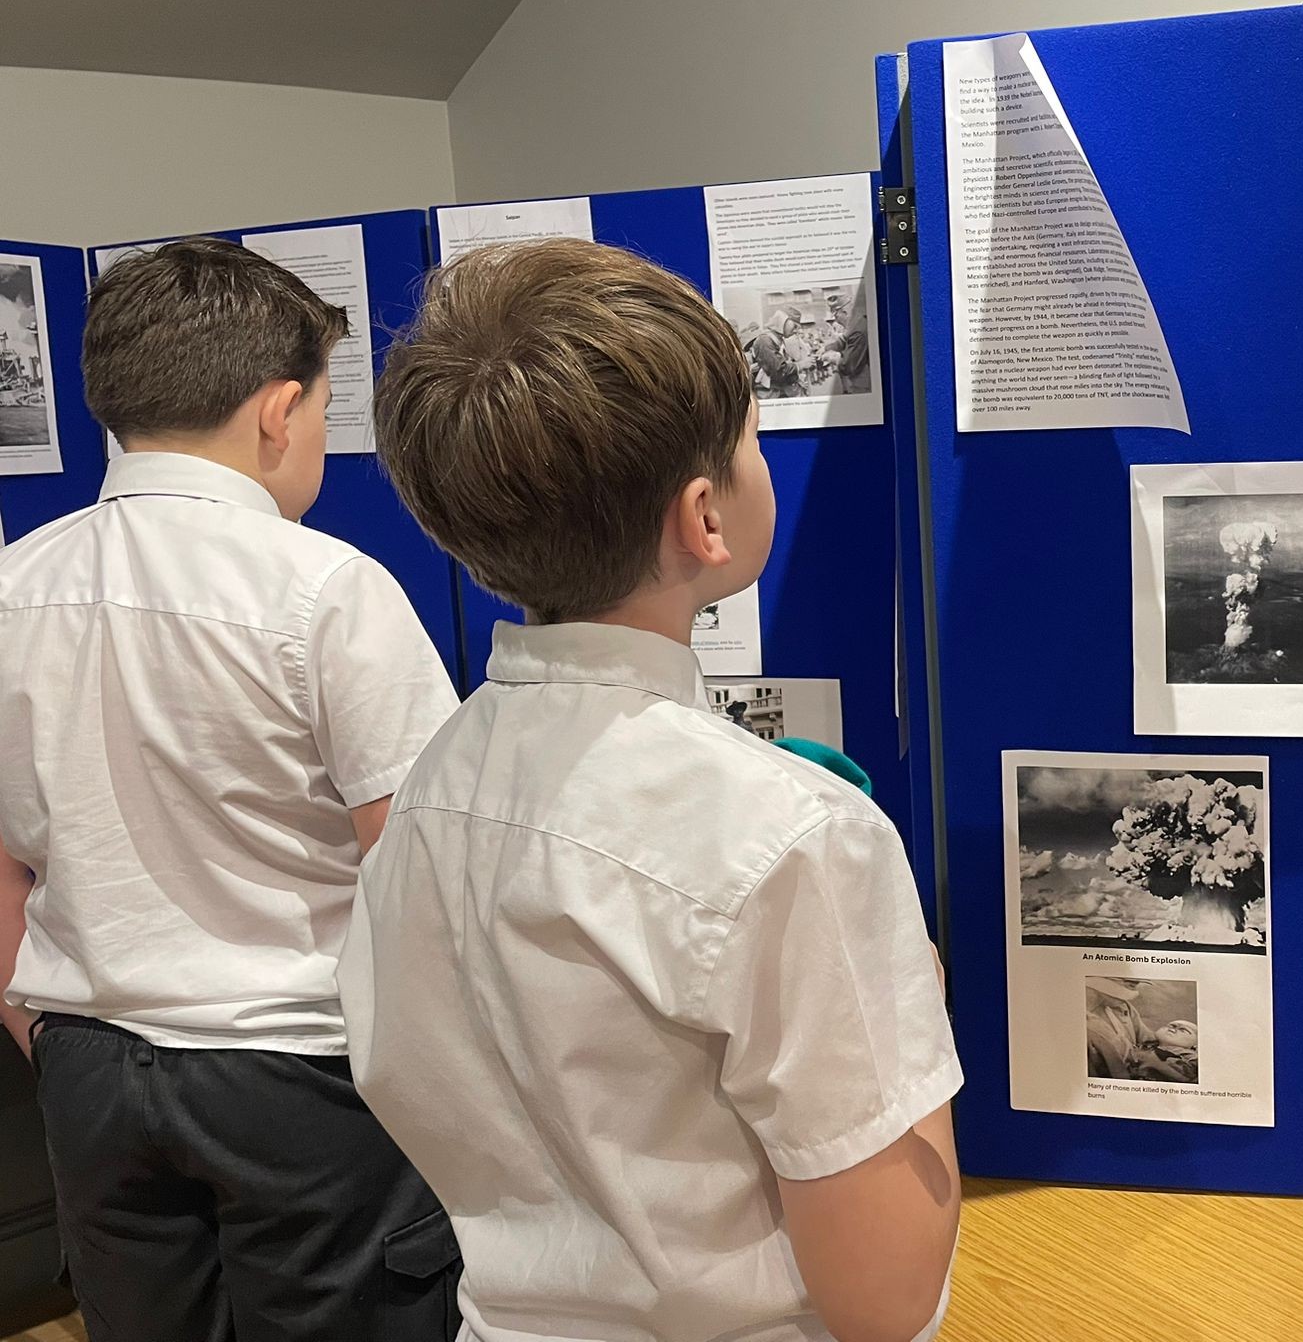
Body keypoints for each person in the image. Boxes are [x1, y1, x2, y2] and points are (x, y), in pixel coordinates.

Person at [342, 238, 962, 1342]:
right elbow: (886, 1295)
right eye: (752, 444)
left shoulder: (431, 786)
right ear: (703, 519)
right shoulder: (795, 835)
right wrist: (912, 997)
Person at [0, 238, 463, 1340]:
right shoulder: (331, 589)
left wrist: (40, 1022)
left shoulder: (11, 587)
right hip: (300, 1071)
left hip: (87, 1067)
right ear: (278, 411)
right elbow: (418, 870)